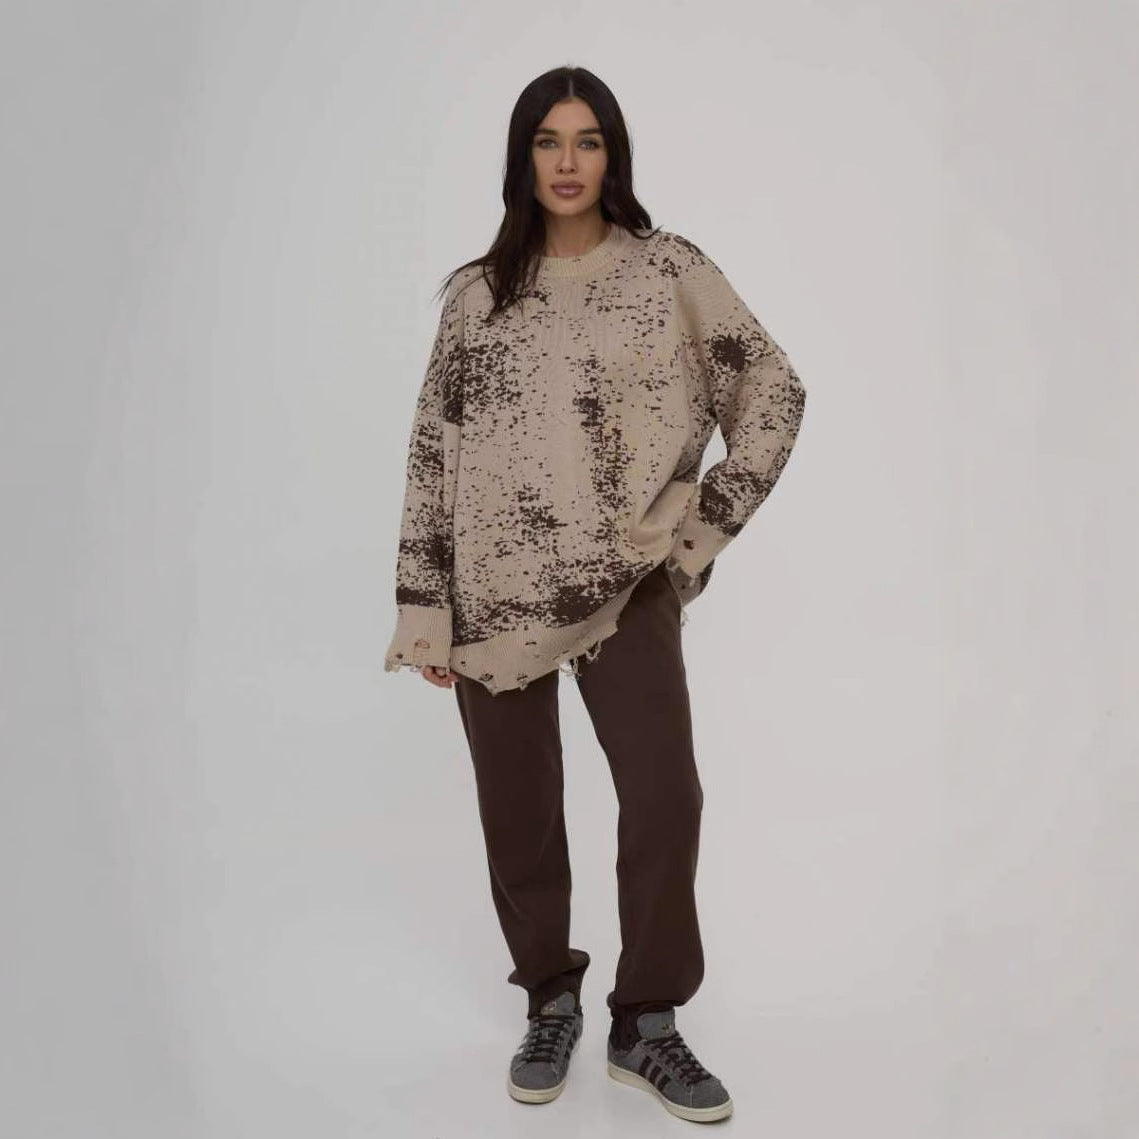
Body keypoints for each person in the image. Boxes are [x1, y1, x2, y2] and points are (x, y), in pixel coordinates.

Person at [384, 66, 806, 1124]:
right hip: (491, 590)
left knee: (664, 795)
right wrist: (425, 608)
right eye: (546, 141)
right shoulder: (478, 295)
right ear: (521, 158)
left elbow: (772, 390)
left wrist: (693, 536)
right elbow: (433, 452)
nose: (566, 162)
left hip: (625, 586)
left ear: (612, 155)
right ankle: (549, 997)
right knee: (517, 812)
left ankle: (645, 1021)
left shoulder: (667, 270)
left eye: (586, 141)